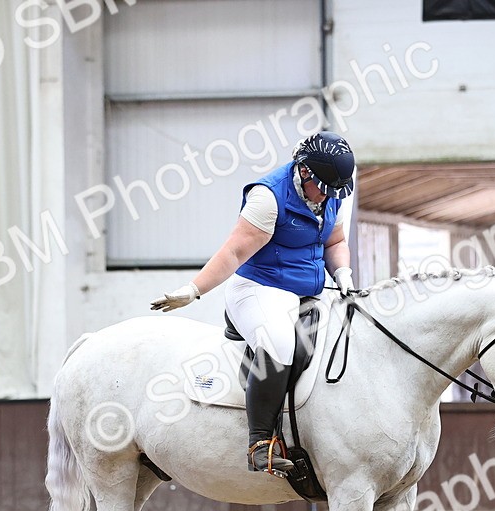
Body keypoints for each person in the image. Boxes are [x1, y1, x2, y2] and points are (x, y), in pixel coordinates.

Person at [150, 132, 356, 477]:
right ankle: (260, 442)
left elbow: (335, 240)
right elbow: (234, 251)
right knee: (280, 342)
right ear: (304, 172)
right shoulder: (268, 197)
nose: (327, 197)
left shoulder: (328, 193)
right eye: (323, 188)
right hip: (259, 287)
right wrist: (193, 290)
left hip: (309, 290)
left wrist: (345, 273)